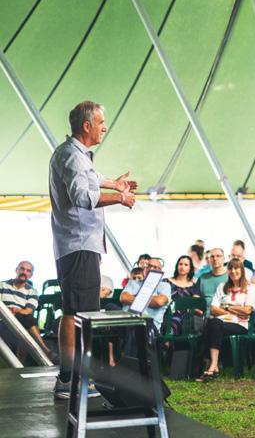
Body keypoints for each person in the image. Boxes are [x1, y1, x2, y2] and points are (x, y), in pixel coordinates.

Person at [49, 101, 137, 398]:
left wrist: (115, 184)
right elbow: (83, 196)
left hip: (78, 245)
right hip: (79, 245)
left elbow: (92, 179)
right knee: (78, 314)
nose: (104, 127)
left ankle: (71, 378)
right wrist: (120, 198)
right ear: (86, 125)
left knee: (76, 311)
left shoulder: (74, 154)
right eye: (101, 122)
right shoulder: (72, 156)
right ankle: (70, 380)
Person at [200, 258, 255, 381]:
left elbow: (247, 311)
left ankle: (211, 365)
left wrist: (226, 306)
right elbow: (213, 309)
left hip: (240, 324)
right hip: (220, 322)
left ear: (242, 270)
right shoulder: (222, 287)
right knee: (214, 323)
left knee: (213, 324)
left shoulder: (251, 288)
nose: (233, 271)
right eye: (230, 268)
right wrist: (235, 309)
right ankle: (214, 365)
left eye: (236, 268)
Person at [0, 261, 58, 363]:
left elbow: (28, 310)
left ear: (31, 275)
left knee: (27, 320)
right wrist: (10, 312)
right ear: (16, 270)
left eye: (28, 271)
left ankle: (20, 365)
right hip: (3, 321)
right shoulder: (2, 285)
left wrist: (15, 310)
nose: (24, 272)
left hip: (21, 322)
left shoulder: (32, 291)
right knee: (28, 321)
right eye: (22, 269)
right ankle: (45, 350)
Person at [120, 257, 171, 355]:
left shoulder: (164, 286)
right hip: (128, 320)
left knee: (136, 329)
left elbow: (159, 302)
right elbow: (123, 297)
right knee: (110, 306)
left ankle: (129, 361)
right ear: (144, 269)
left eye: (155, 267)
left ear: (160, 271)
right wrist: (150, 299)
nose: (151, 269)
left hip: (149, 324)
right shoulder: (133, 282)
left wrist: (135, 297)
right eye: (148, 266)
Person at [167, 255, 201, 335]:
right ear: (177, 266)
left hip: (186, 315)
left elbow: (196, 304)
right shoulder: (166, 281)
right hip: (167, 312)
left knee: (179, 317)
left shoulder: (193, 286)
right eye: (180, 264)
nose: (182, 267)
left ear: (190, 268)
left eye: (186, 265)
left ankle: (169, 339)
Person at [198, 248, 228, 314]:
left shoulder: (231, 277)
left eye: (218, 256)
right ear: (209, 260)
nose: (215, 259)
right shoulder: (202, 278)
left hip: (225, 314)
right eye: (212, 256)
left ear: (223, 259)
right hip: (204, 315)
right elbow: (196, 296)